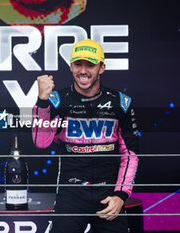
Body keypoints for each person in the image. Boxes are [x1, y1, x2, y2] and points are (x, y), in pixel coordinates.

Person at [32, 39, 139, 233]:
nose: (83, 71)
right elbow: (41, 142)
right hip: (70, 196)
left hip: (108, 196)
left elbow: (130, 154)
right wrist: (42, 102)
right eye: (78, 64)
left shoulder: (121, 102)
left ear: (101, 67)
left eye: (90, 65)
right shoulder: (56, 100)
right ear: (71, 66)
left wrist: (121, 195)